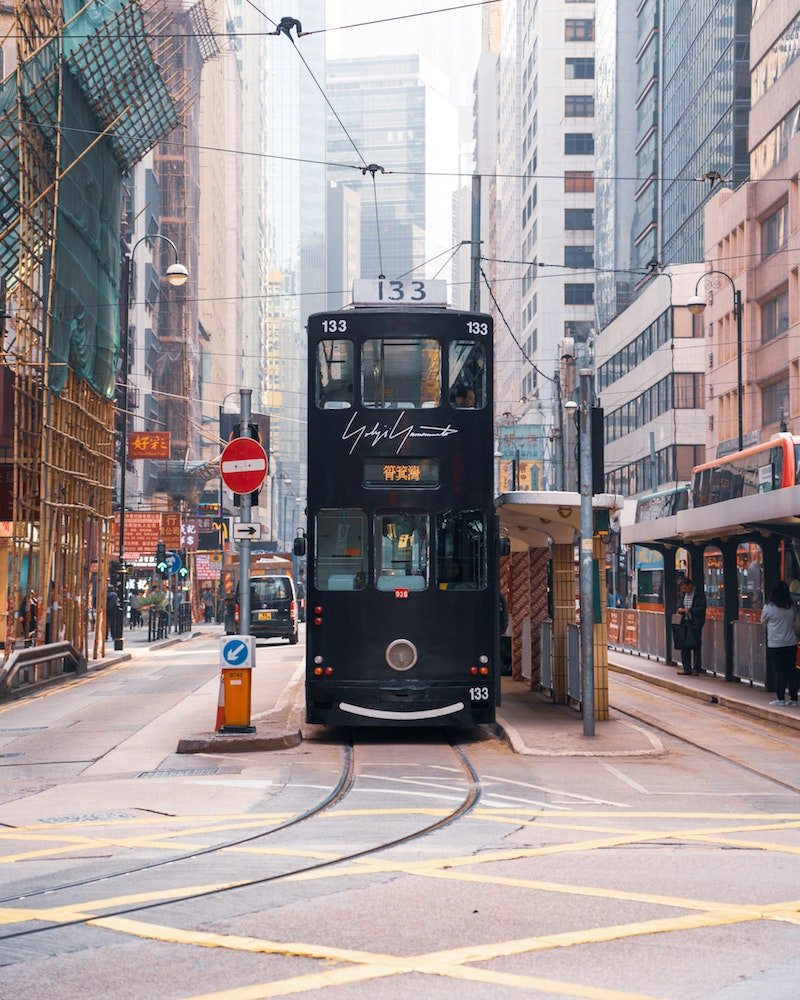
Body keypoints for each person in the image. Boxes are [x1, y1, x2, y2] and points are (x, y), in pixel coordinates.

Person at [761, 582, 799, 707]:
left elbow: (763, 621)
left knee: (780, 671)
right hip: (791, 643)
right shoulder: (791, 607)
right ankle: (794, 699)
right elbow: (795, 623)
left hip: (776, 644)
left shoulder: (769, 607)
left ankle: (781, 699)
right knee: (792, 670)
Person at [676, 577, 706, 676]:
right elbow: (679, 605)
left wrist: (690, 610)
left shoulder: (699, 594)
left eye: (685, 588)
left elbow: (702, 608)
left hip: (696, 623)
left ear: (690, 585)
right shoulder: (683, 594)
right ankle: (687, 669)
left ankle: (696, 668)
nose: (684, 591)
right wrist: (680, 610)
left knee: (696, 646)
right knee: (684, 647)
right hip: (685, 622)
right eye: (683, 589)